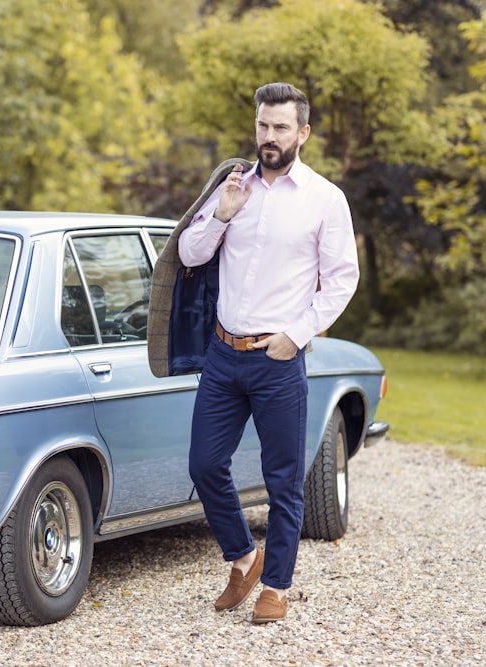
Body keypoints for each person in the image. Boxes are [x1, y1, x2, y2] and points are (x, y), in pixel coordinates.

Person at [178, 82, 360, 623]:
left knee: (283, 479)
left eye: (281, 127)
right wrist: (224, 214)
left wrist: (297, 334)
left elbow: (342, 280)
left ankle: (276, 586)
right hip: (223, 354)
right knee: (204, 464)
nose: (269, 137)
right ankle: (243, 557)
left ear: (302, 132)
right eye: (263, 125)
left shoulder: (325, 199)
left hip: (278, 359)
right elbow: (189, 253)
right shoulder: (231, 186)